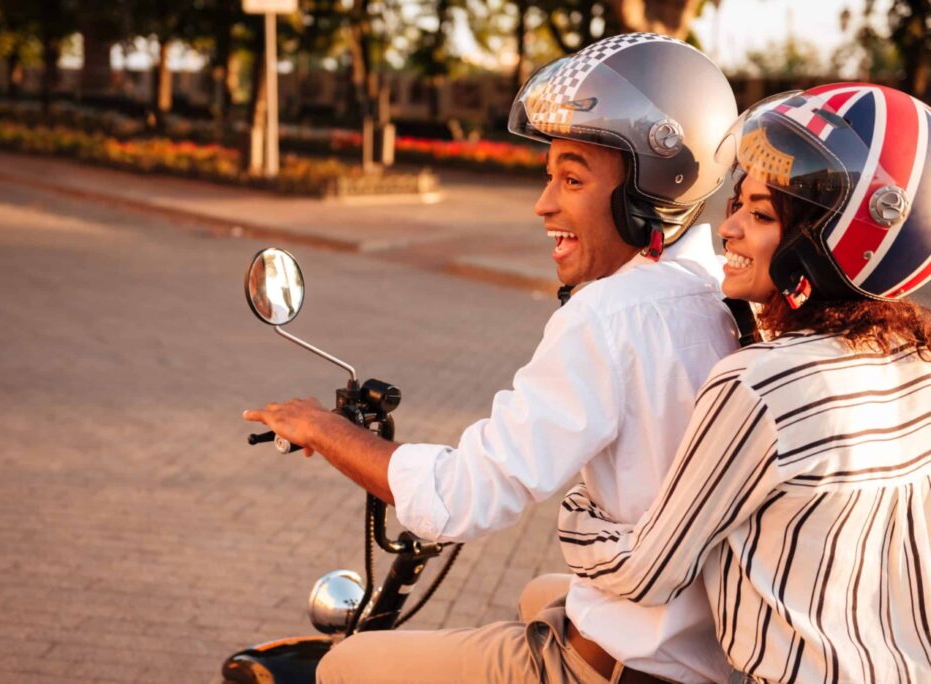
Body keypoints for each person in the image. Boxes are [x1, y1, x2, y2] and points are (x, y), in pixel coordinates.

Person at [245, 34, 741, 683]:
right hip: (701, 641)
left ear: (652, 183)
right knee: (539, 589)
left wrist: (325, 429)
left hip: (634, 667)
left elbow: (462, 500)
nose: (544, 204)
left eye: (572, 178)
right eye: (548, 176)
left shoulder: (611, 315)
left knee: (347, 666)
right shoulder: (719, 291)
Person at [559, 82, 931, 683]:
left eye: (759, 215)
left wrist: (580, 513)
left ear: (829, 247)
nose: (726, 228)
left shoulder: (763, 384)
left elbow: (650, 573)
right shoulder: (917, 362)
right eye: (738, 204)